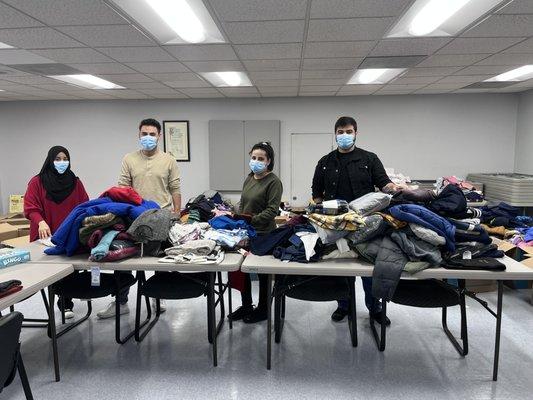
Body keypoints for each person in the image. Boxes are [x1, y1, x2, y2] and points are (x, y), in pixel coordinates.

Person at [311, 116, 399, 325]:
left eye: (348, 132)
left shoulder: (369, 159)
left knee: (368, 267)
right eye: (340, 132)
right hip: (337, 224)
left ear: (356, 133)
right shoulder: (325, 162)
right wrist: (321, 211)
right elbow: (316, 192)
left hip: (365, 224)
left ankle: (375, 308)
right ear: (335, 134)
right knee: (341, 266)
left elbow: (384, 184)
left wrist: (395, 188)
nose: (344, 136)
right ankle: (344, 305)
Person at [97, 118, 181, 319]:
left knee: (160, 259)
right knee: (124, 259)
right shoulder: (129, 159)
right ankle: (121, 301)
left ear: (159, 136)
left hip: (161, 216)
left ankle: (158, 296)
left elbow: (175, 188)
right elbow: (122, 187)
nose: (148, 138)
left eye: (152, 134)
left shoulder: (169, 160)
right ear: (139, 134)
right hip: (133, 215)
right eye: (144, 134)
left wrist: (177, 213)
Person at [24, 146, 89, 319]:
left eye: (65, 159)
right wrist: (41, 222)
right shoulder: (37, 182)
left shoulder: (75, 182)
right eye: (57, 159)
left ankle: (66, 302)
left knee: (70, 270)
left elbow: (85, 205)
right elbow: (30, 208)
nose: (62, 162)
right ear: (50, 161)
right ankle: (61, 300)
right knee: (52, 271)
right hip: (46, 236)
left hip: (69, 235)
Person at [228, 142, 283, 323]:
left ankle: (264, 309)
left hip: (264, 234)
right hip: (246, 232)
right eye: (253, 158)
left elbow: (272, 211)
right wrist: (239, 217)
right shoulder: (249, 178)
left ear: (268, 161)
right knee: (242, 271)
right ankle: (246, 306)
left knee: (262, 273)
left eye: (261, 159)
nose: (256, 161)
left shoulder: (274, 182)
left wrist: (250, 219)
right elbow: (244, 204)